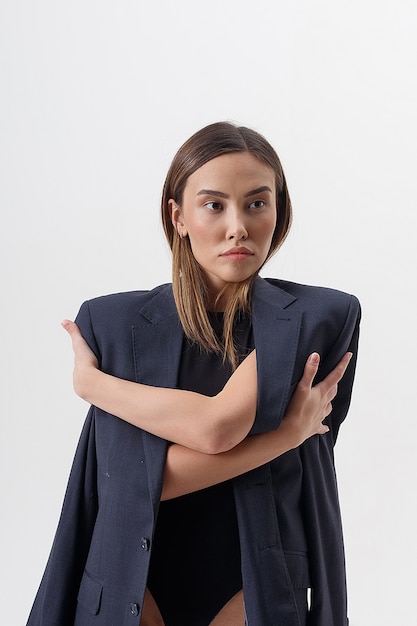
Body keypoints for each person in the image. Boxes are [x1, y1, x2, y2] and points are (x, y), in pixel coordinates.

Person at [26, 122, 361, 626]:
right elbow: (139, 483)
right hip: (129, 583)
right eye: (213, 205)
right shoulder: (112, 324)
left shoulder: (317, 316)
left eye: (256, 203)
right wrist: (285, 435)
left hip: (257, 583)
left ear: (279, 211)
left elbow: (214, 427)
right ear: (178, 216)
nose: (237, 227)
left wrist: (93, 385)